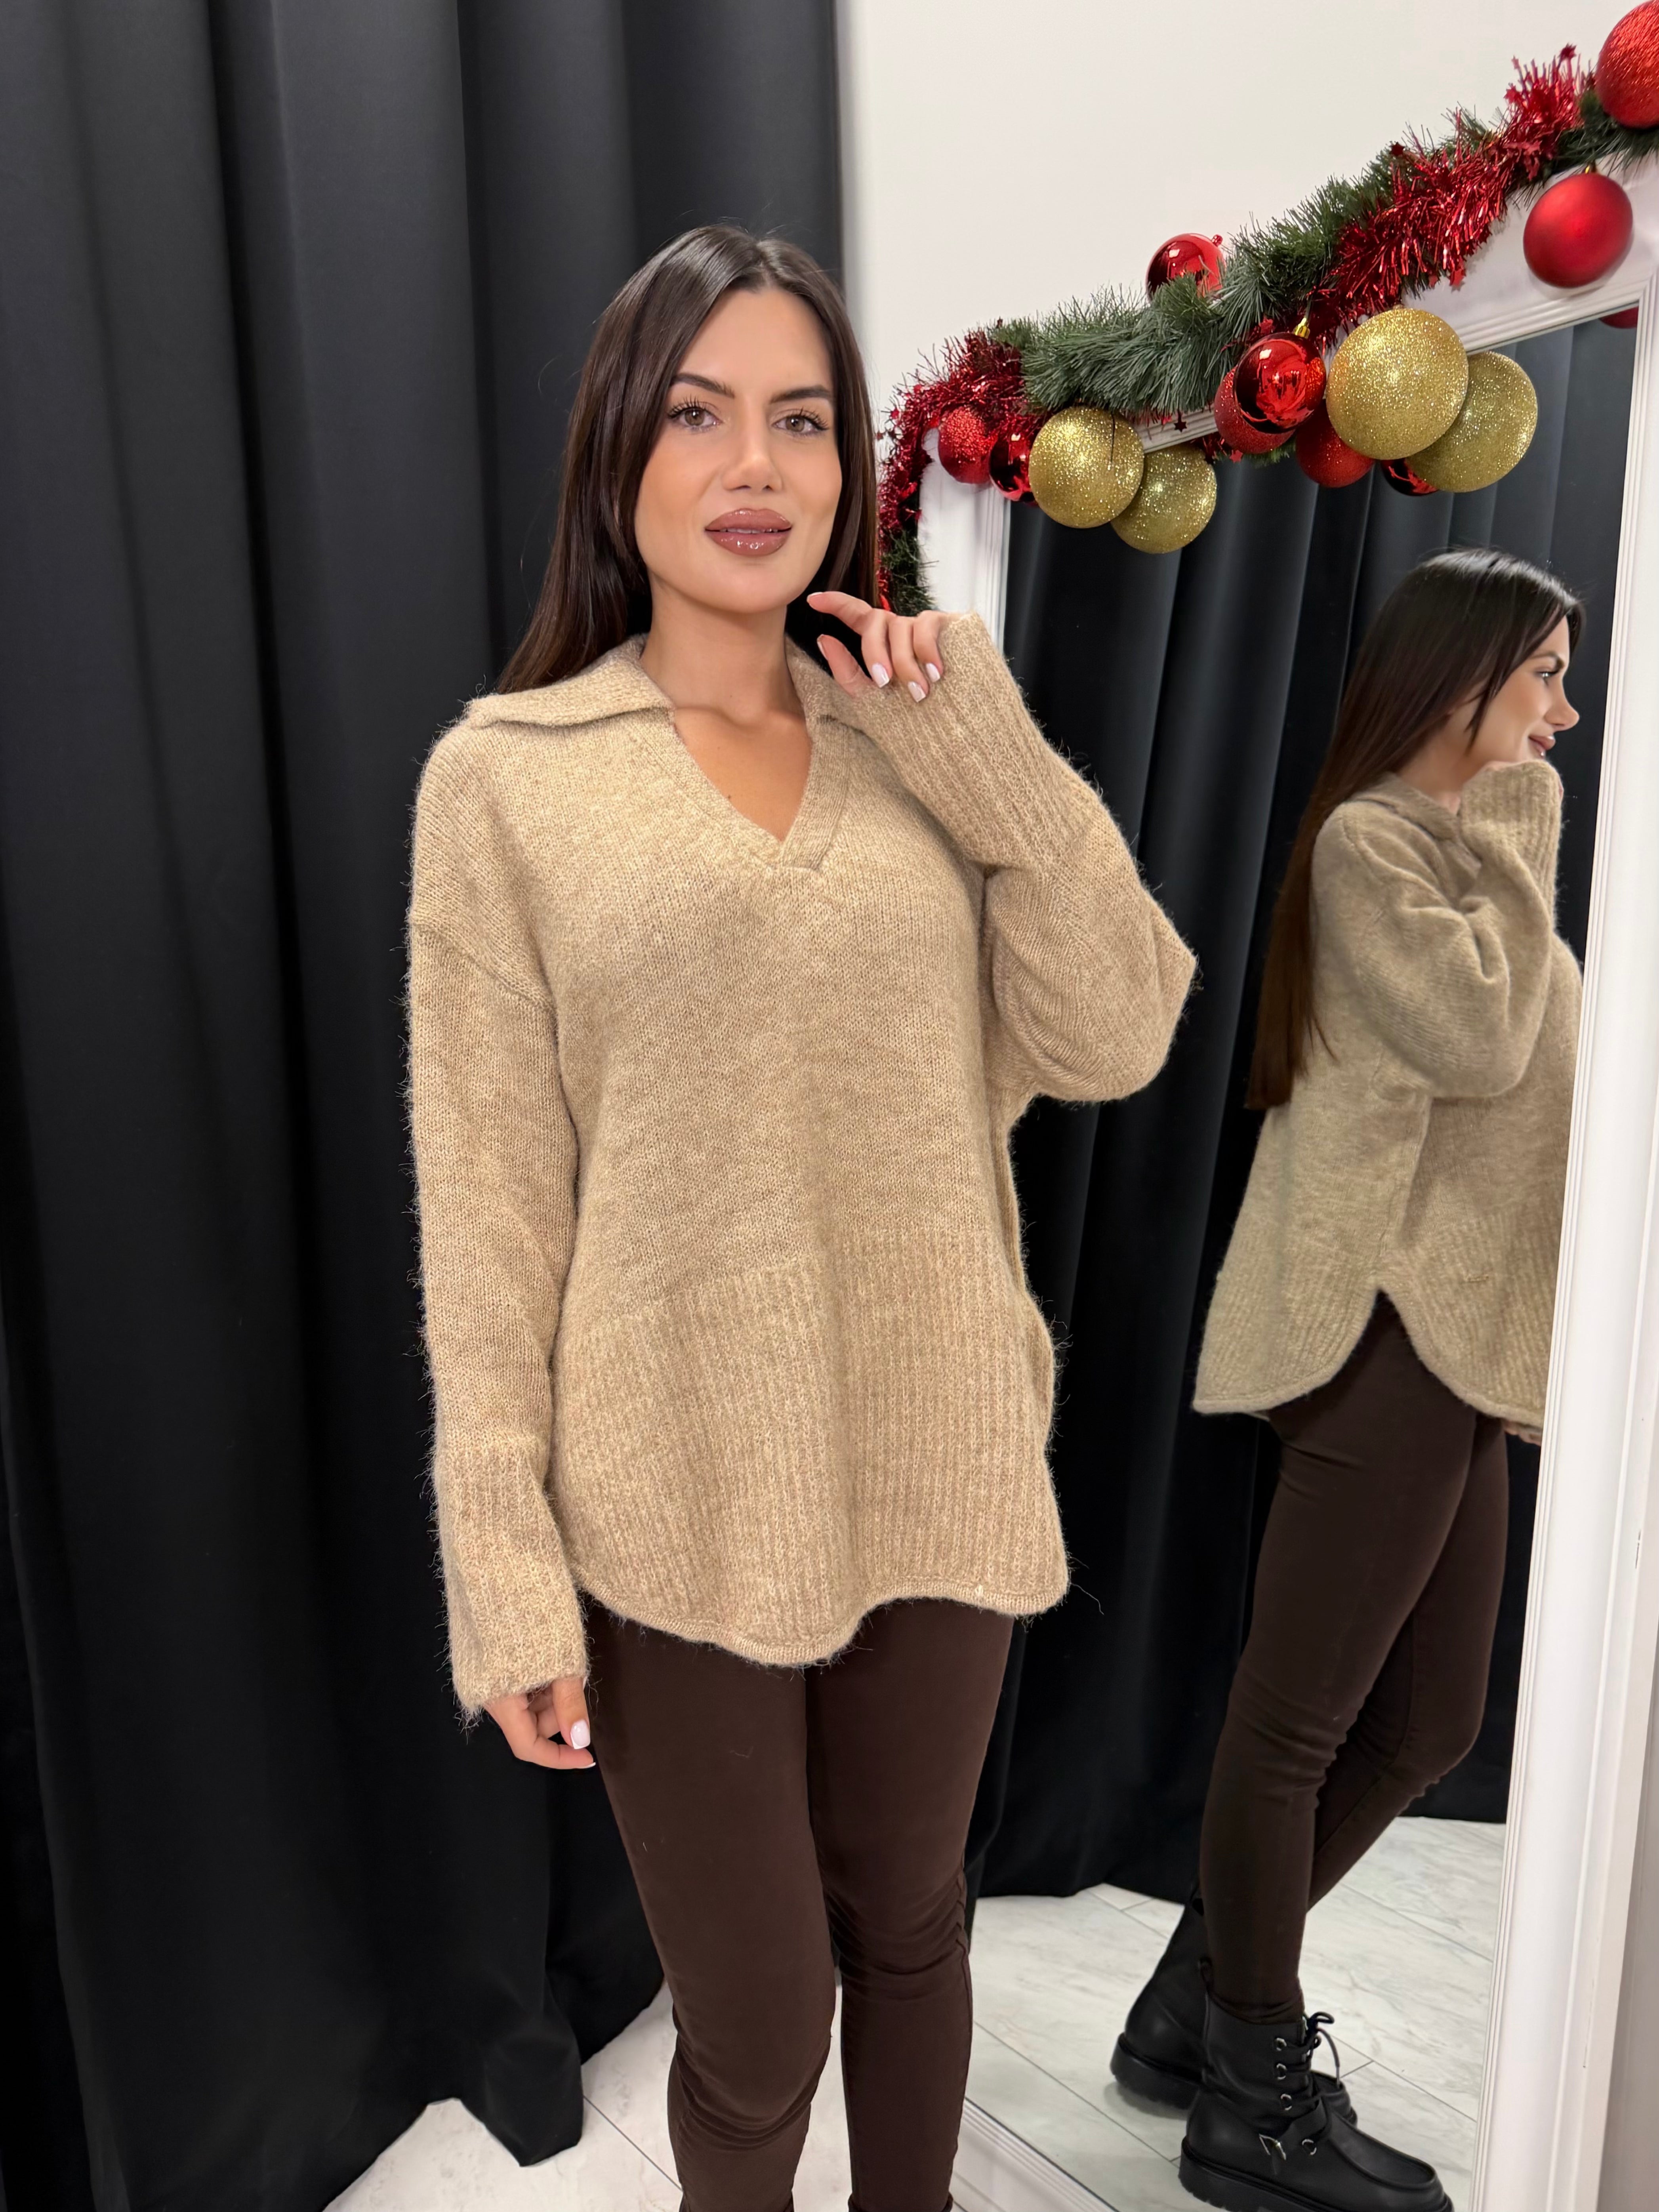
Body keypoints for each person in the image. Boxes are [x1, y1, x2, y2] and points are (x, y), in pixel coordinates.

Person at [406, 223, 1194, 2212]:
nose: (754, 465)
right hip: (671, 1485)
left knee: (912, 1924)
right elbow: (489, 1215)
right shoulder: (506, 784)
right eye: (698, 415)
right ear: (619, 450)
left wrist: (979, 746)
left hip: (936, 1446)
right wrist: (507, 1569)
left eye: (802, 418)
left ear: (851, 460)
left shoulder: (917, 749)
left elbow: (1119, 1027)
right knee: (755, 2024)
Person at [1113, 548, 1585, 2212]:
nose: (1565, 713)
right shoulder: (1378, 844)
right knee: (1296, 1723)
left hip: (1458, 1344)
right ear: (1460, 679)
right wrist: (1520, 826)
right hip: (1377, 1326)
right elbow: (1479, 1040)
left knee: (1434, 1719)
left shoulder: (1463, 854)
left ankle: (1193, 2003)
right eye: (1545, 674)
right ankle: (1248, 2097)